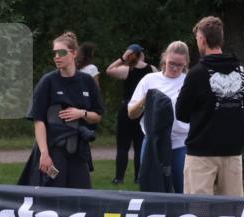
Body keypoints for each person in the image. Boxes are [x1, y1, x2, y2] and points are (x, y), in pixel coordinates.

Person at [21, 31, 104, 189]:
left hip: (78, 150)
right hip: (54, 150)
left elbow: (97, 116)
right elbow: (38, 120)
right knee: (53, 193)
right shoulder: (48, 81)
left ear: (74, 53)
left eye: (61, 52)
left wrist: (81, 113)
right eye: (55, 53)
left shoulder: (87, 81)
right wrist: (44, 154)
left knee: (82, 196)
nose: (57, 57)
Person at [176, 16, 244, 197]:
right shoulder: (240, 70)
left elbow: (181, 112)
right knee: (233, 213)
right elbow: (242, 104)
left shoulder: (197, 73)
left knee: (199, 214)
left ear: (202, 40)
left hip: (202, 151)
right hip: (232, 149)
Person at [126, 41, 191, 193]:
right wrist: (146, 99)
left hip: (180, 143)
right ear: (164, 59)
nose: (175, 68)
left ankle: (185, 216)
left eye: (179, 65)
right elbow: (131, 114)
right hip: (153, 142)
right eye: (171, 63)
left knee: (183, 189)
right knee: (151, 187)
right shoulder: (150, 80)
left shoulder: (188, 81)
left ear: (186, 63)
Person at [105, 44, 156, 184]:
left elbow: (109, 70)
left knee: (123, 145)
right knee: (139, 144)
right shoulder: (151, 70)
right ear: (141, 54)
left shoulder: (127, 69)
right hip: (144, 109)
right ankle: (138, 177)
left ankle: (119, 177)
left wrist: (122, 58)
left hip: (127, 109)